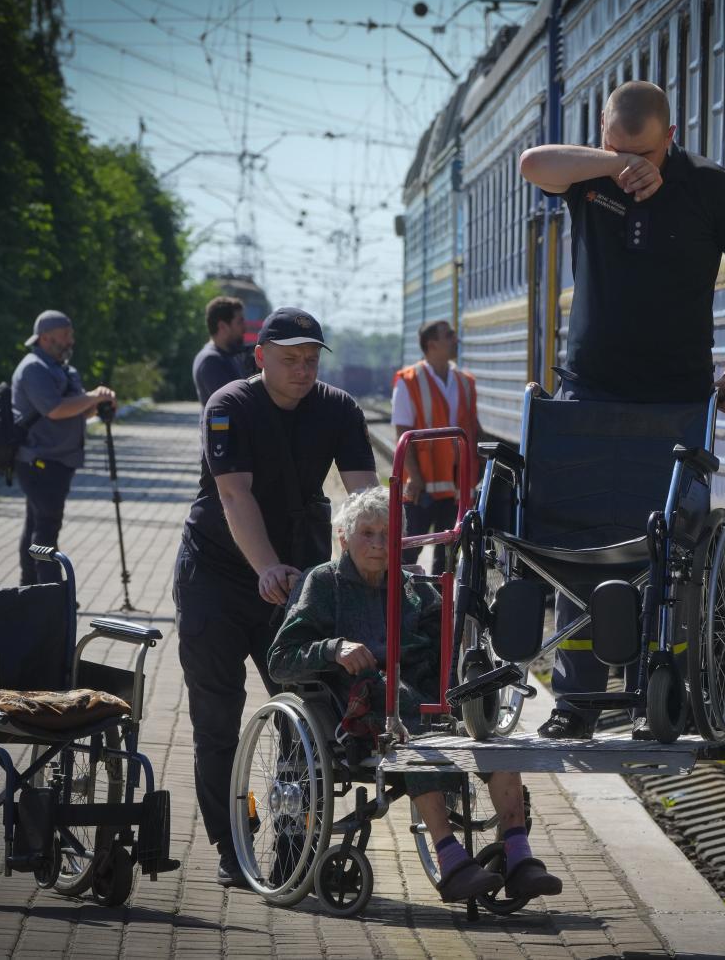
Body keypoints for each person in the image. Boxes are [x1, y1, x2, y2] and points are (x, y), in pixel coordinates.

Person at [519, 80, 725, 740]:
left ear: (671, 137)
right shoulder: (591, 179)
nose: (633, 166)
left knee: (667, 550)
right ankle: (575, 702)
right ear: (603, 135)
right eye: (618, 149)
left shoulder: (709, 186)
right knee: (577, 537)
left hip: (676, 398)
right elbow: (533, 163)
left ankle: (663, 692)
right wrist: (611, 163)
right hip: (589, 389)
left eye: (644, 153)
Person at [269, 486, 563, 902]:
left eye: (385, 534)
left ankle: (519, 855)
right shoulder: (323, 583)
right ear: (343, 539)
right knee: (406, 715)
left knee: (486, 720)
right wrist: (333, 648)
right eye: (366, 533)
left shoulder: (416, 589)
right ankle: (451, 859)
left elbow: (449, 657)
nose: (376, 543)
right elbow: (280, 660)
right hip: (359, 708)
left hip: (425, 705)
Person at [173, 306, 378, 888]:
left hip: (295, 579)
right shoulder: (229, 407)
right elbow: (235, 497)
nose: (303, 370)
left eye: (311, 359)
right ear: (260, 357)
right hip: (217, 575)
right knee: (216, 719)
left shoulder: (339, 410)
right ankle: (232, 841)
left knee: (305, 715)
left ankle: (294, 848)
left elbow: (366, 496)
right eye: (290, 359)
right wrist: (264, 568)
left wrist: (380, 558)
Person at [11, 310, 116, 585]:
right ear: (46, 338)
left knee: (36, 524)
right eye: (66, 334)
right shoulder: (34, 367)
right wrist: (91, 396)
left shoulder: (63, 369)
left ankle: (30, 588)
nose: (71, 340)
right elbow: (55, 410)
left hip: (58, 460)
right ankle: (51, 593)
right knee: (46, 527)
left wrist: (99, 402)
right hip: (39, 461)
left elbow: (77, 411)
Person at [390, 320, 482, 576]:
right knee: (408, 552)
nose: (456, 339)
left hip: (456, 489)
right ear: (432, 344)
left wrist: (479, 470)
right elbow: (402, 432)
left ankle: (437, 611)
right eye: (449, 335)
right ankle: (404, 608)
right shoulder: (409, 381)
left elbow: (473, 428)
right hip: (422, 489)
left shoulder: (465, 382)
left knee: (448, 557)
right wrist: (415, 477)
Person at [193, 295, 250, 406]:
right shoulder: (210, 360)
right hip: (221, 424)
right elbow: (226, 405)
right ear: (223, 326)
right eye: (240, 322)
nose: (245, 328)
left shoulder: (228, 356)